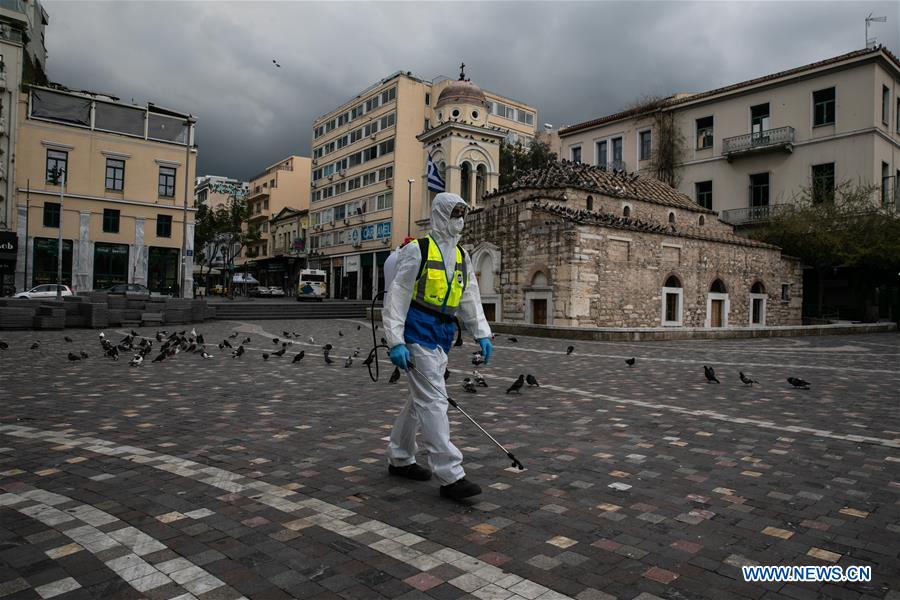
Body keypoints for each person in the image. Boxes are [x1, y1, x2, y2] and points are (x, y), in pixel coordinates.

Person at [382, 192, 493, 500]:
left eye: (462, 214)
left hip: (442, 335)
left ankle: (400, 456)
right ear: (440, 216)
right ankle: (450, 474)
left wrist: (482, 333)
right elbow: (397, 295)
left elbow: (470, 296)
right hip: (418, 333)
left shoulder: (461, 256)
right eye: (454, 214)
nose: (459, 221)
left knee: (420, 399)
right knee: (433, 402)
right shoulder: (418, 250)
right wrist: (395, 341)